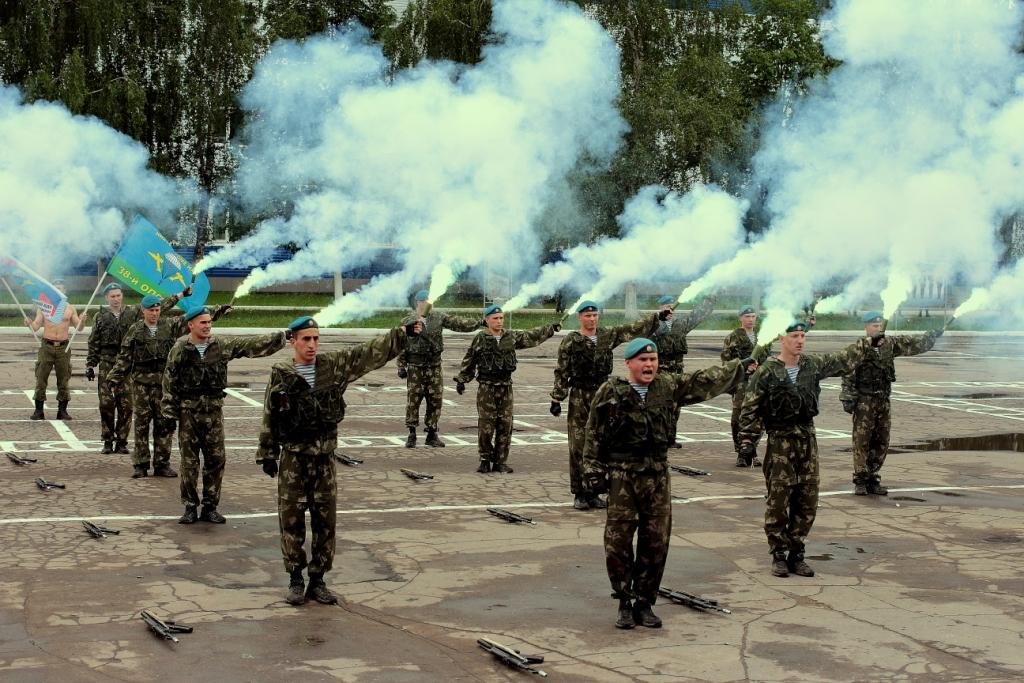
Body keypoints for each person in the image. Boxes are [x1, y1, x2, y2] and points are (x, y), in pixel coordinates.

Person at [582, 338, 753, 629]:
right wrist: (592, 470)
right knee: (618, 543)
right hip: (623, 476)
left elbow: (704, 381)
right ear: (629, 363)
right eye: (643, 360)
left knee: (656, 542)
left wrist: (739, 368)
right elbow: (593, 434)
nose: (649, 365)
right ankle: (624, 601)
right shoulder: (609, 391)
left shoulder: (668, 386)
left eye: (653, 360)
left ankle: (645, 603)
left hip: (658, 476)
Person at [257, 316, 421, 605]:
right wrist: (267, 453)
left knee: (325, 521)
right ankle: (296, 578)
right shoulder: (281, 373)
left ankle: (317, 580)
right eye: (306, 339)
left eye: (316, 339)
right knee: (291, 520)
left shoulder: (332, 367)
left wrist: (401, 333)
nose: (312, 345)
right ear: (293, 341)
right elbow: (270, 414)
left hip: (324, 460)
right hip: (294, 458)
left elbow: (369, 353)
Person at [738, 321, 871, 578]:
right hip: (780, 440)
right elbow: (750, 408)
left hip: (807, 439)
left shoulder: (811, 365)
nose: (800, 340)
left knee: (807, 500)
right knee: (778, 500)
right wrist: (747, 441)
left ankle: (796, 554)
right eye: (794, 336)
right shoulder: (766, 371)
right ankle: (778, 554)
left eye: (802, 336)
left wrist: (867, 343)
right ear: (781, 339)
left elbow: (842, 359)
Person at [161, 306, 285, 524]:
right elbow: (169, 382)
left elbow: (250, 345)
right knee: (189, 463)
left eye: (209, 322)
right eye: (203, 322)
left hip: (214, 413)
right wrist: (169, 414)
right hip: (189, 414)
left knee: (216, 460)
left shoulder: (221, 346)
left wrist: (281, 336)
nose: (208, 326)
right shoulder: (180, 349)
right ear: (191, 325)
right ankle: (190, 507)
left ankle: (210, 507)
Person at [549, 300, 664, 510]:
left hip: (603, 394)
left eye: (595, 315)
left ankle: (594, 491)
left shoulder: (606, 336)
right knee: (578, 445)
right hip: (580, 396)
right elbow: (562, 370)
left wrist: (658, 318)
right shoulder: (571, 341)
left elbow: (632, 330)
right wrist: (557, 398)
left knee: (602, 443)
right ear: (580, 318)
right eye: (587, 316)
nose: (592, 319)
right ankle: (580, 493)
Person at [108, 296, 228, 478]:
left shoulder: (169, 325)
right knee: (141, 426)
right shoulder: (135, 330)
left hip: (163, 386)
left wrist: (218, 310)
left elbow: (194, 318)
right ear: (143, 311)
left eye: (157, 310)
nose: (155, 313)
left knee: (164, 425)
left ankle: (162, 463)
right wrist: (114, 377)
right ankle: (140, 465)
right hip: (141, 386)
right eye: (151, 310)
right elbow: (125, 357)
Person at [839, 311, 942, 496]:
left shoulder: (890, 345)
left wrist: (931, 336)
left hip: (883, 401)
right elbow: (848, 373)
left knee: (882, 440)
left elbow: (914, 345)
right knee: (862, 440)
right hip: (865, 401)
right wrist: (847, 397)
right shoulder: (859, 348)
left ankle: (873, 477)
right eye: (874, 326)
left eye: (880, 326)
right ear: (866, 328)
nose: (878, 329)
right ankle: (860, 479)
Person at [453, 304, 560, 473]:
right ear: (487, 320)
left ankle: (500, 461)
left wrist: (550, 329)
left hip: (505, 387)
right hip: (487, 388)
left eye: (501, 318)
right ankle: (485, 459)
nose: (499, 321)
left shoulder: (510, 337)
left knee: (505, 424)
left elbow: (531, 336)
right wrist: (462, 380)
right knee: (486, 425)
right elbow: (470, 360)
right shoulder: (480, 339)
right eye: (495, 318)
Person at [87, 283, 181, 453]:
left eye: (118, 295)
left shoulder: (132, 313)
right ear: (107, 298)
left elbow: (159, 306)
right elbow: (93, 341)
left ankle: (122, 441)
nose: (116, 299)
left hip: (128, 364)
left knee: (126, 405)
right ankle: (108, 440)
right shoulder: (100, 317)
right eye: (112, 296)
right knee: (106, 404)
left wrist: (180, 296)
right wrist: (90, 364)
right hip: (107, 364)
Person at [398, 289, 479, 448]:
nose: (426, 304)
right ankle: (412, 433)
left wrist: (479, 323)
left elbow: (458, 323)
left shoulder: (439, 317)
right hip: (415, 367)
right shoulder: (408, 321)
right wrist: (401, 366)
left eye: (428, 301)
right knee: (413, 401)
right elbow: (402, 345)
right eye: (423, 302)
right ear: (417, 303)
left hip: (434, 366)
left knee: (435, 401)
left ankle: (431, 434)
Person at [652, 294, 717, 449]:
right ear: (660, 308)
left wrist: (710, 299)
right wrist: (659, 323)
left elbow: (698, 315)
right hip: (660, 372)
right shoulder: (653, 325)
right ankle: (658, 437)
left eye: (670, 306)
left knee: (676, 406)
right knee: (660, 406)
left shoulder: (680, 325)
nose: (669, 308)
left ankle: (671, 438)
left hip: (677, 373)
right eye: (665, 306)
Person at [25, 279, 86, 420]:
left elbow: (79, 328)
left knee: (63, 379)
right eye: (55, 288)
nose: (58, 291)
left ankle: (62, 411)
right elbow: (36, 326)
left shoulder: (70, 308)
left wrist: (82, 320)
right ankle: (38, 411)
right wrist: (29, 323)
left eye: (61, 288)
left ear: (65, 291)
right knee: (41, 378)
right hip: (47, 346)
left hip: (64, 347)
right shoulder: (45, 307)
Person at [721, 305, 774, 467]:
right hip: (741, 383)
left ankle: (752, 451)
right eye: (747, 316)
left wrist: (761, 368)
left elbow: (767, 358)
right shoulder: (733, 337)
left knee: (758, 418)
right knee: (739, 417)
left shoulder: (762, 337)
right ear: (740, 318)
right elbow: (727, 361)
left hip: (759, 383)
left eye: (753, 316)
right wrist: (744, 366)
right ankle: (741, 453)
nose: (750, 319)